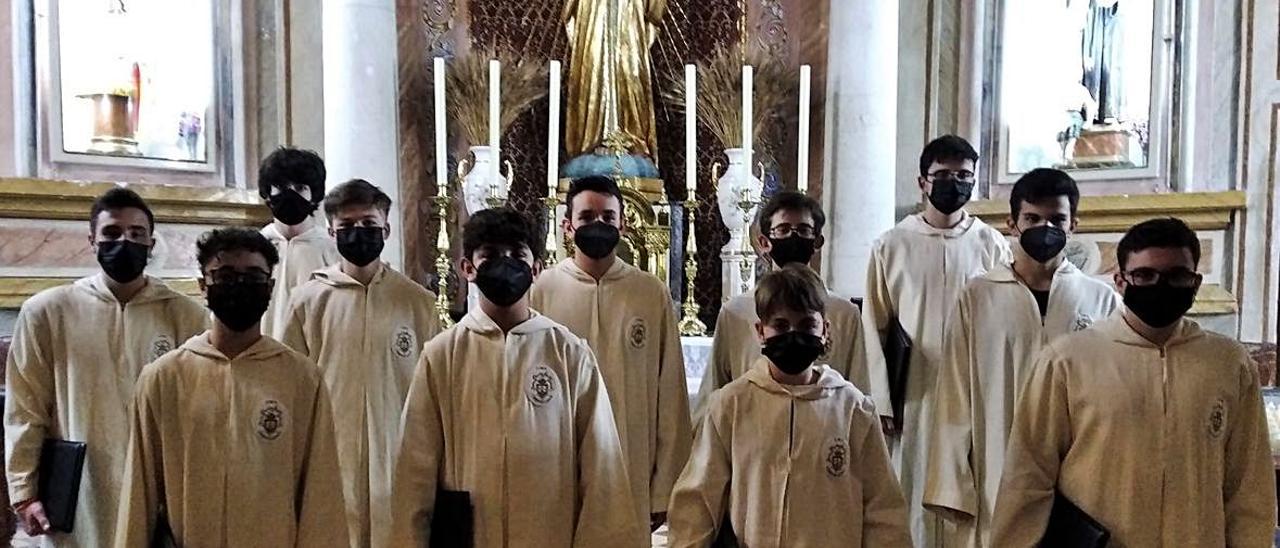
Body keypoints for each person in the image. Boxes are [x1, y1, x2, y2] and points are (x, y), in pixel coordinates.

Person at [991, 218, 1277, 546]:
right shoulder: (1067, 360)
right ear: (1120, 281)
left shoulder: (1228, 362)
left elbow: (1248, 486)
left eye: (1177, 276)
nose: (1161, 285)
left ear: (1195, 283)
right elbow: (1028, 476)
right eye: (1145, 275)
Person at [391, 208, 639, 546]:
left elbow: (602, 469)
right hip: (471, 534)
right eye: (490, 255)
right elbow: (414, 471)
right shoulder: (442, 355)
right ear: (467, 268)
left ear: (536, 269)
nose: (505, 263)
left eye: (517, 255)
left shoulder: (568, 353)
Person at [922, 168, 1120, 547]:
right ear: (1012, 223)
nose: (1044, 227)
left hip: (1081, 468)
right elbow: (955, 393)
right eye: (1032, 218)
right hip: (997, 462)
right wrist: (952, 483)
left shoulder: (1101, 300)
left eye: (1056, 219)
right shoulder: (978, 297)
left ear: (1073, 224)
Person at [114, 228, 347, 546]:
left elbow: (321, 494)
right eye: (224, 275)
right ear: (202, 287)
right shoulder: (163, 378)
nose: (240, 284)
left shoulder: (301, 378)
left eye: (253, 276)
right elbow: (139, 492)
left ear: (270, 287)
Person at [4, 188, 208, 546]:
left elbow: (200, 408)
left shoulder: (185, 315)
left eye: (136, 234)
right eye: (112, 233)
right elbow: (25, 408)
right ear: (91, 241)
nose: (125, 241)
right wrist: (25, 489)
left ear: (151, 242)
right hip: (82, 485)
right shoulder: (49, 312)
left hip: (158, 483)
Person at [668, 265, 911, 547]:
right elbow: (697, 502)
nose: (793, 333)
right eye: (781, 325)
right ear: (760, 331)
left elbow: (883, 511)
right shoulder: (731, 406)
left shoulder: (854, 410)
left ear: (825, 331)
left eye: (807, 324)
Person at [861, 134, 1010, 546]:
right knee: (912, 491)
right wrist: (882, 402)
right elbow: (873, 324)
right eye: (943, 175)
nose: (954, 183)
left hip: (975, 392)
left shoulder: (991, 245)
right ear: (922, 182)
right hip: (916, 393)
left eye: (963, 176)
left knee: (972, 491)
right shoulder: (892, 245)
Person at [281, 179, 440, 548]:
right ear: (332, 232)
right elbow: (291, 386)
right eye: (347, 227)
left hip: (398, 451)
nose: (359, 234)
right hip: (330, 451)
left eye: (369, 225)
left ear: (386, 229)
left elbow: (431, 387)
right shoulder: (307, 302)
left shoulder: (416, 302)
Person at [529, 175, 691, 535]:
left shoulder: (650, 293)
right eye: (586, 217)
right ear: (567, 226)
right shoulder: (542, 291)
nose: (597, 225)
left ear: (624, 223)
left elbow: (671, 395)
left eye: (607, 216)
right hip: (557, 459)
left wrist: (665, 487)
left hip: (631, 460)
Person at [694, 190, 876, 420]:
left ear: (817, 241)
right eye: (783, 230)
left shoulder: (844, 313)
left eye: (803, 230)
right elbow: (713, 394)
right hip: (752, 433)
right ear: (764, 242)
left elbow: (859, 389)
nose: (793, 237)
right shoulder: (735, 312)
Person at [258, 147, 340, 339]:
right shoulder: (253, 247)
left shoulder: (332, 247)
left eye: (300, 188)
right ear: (268, 193)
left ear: (314, 195)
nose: (290, 194)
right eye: (281, 187)